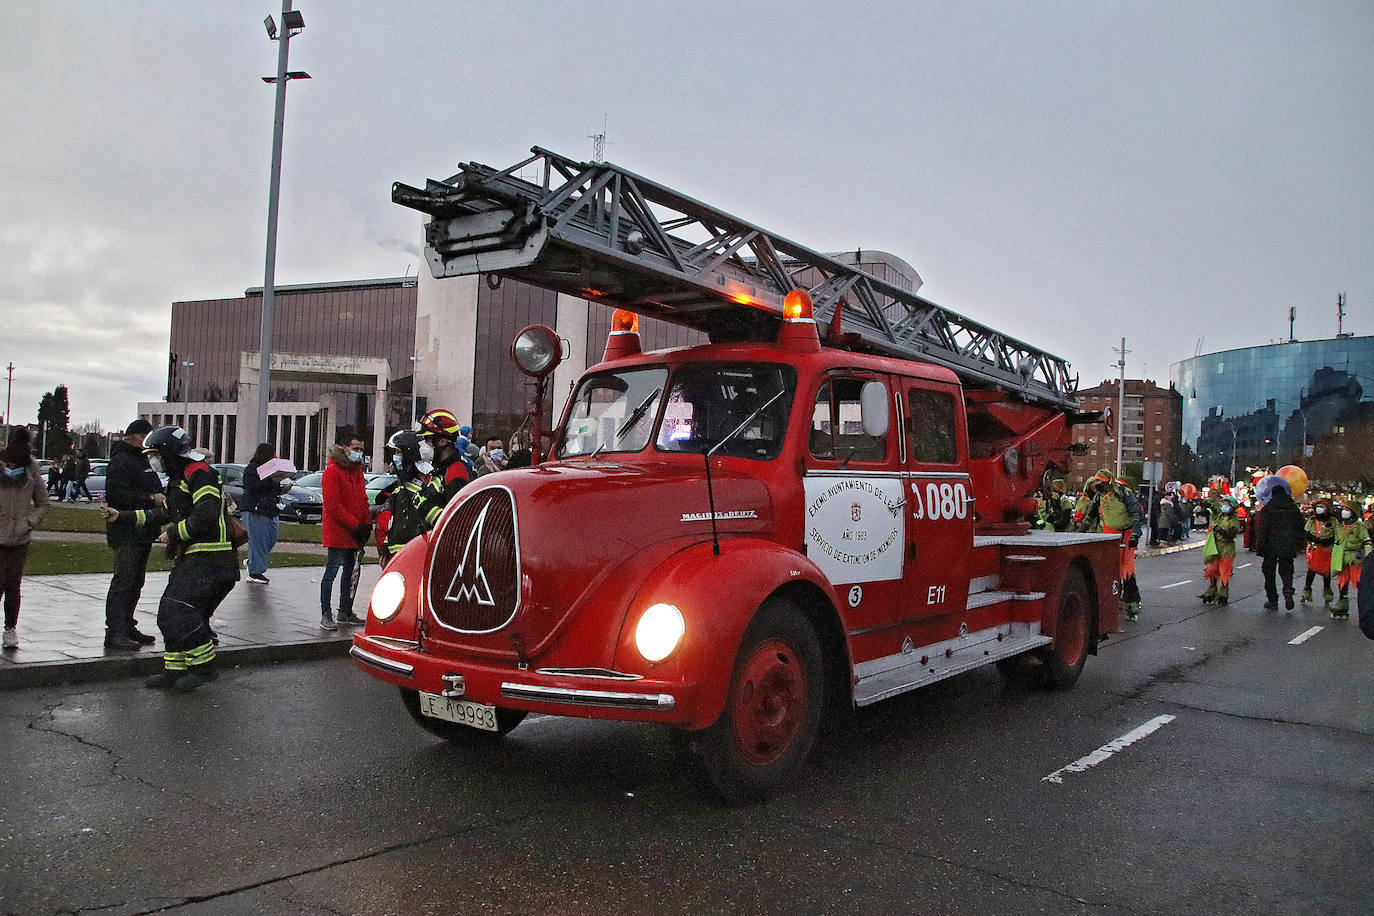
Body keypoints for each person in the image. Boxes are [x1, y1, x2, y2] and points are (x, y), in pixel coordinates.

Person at [99, 426, 237, 691]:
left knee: (179, 611)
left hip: (210, 558)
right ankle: (174, 670)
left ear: (170, 452)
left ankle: (204, 667)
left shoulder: (199, 474)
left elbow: (205, 515)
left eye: (157, 455)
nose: (155, 461)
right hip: (197, 558)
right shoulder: (181, 477)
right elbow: (162, 512)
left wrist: (174, 533)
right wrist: (123, 516)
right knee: (168, 614)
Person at [102, 419, 164, 650]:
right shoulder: (121, 461)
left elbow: (154, 484)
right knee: (124, 580)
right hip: (126, 531)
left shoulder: (142, 461)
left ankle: (127, 624)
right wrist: (150, 498)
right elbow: (117, 495)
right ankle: (114, 630)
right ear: (136, 438)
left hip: (143, 530)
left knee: (136, 581)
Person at [0, 429, 49, 649]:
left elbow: (43, 503)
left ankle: (10, 628)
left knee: (12, 583)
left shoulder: (30, 470)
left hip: (19, 537)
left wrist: (28, 523)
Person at [320, 434, 370, 630]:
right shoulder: (332, 472)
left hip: (354, 532)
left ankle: (345, 610)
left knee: (350, 573)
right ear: (345, 448)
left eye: (361, 449)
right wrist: (355, 524)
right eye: (355, 448)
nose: (358, 453)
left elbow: (362, 500)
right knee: (331, 572)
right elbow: (334, 506)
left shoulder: (356, 472)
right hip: (339, 531)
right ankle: (326, 612)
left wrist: (365, 524)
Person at [1078, 470, 1143, 620]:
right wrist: (1079, 532)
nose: (1099, 485)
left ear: (1108, 482)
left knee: (1127, 569)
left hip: (1126, 535)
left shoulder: (1123, 493)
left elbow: (1135, 515)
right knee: (1107, 568)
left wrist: (1135, 534)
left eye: (1101, 482)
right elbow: (1090, 516)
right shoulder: (1099, 496)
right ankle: (1107, 600)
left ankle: (1131, 602)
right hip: (1109, 535)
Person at [241, 443, 292, 585]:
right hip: (255, 509)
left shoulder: (271, 471)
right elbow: (250, 487)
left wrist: (282, 489)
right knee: (258, 540)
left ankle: (253, 562)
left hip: (270, 509)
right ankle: (255, 572)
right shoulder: (252, 469)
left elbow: (271, 490)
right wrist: (268, 480)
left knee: (271, 538)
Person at [414, 408, 473, 530]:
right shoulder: (441, 470)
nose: (423, 446)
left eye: (427, 440)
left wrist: (425, 508)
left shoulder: (456, 472)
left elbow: (457, 522)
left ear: (442, 441)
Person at [1254, 479, 1305, 612]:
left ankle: (1272, 600)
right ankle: (1288, 590)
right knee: (1287, 571)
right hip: (1288, 544)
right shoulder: (1293, 508)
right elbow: (1301, 526)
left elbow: (1263, 530)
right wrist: (1299, 543)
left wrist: (1260, 547)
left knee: (1269, 573)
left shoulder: (1268, 509)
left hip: (1270, 546)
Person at [381, 429, 432, 560]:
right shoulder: (402, 484)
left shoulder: (424, 483)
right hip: (397, 552)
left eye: (398, 452)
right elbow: (395, 519)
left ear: (409, 453)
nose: (395, 457)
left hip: (414, 552)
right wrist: (386, 546)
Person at [1330, 502, 1370, 620]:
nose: (1343, 511)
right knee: (1342, 584)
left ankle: (1366, 609)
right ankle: (1342, 605)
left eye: (1346, 509)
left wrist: (1367, 556)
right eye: (1343, 509)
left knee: (1360, 584)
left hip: (1356, 559)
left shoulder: (1359, 526)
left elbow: (1366, 541)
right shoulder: (1340, 526)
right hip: (1342, 559)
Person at [1200, 498, 1242, 605]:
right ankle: (1212, 589)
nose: (1224, 507)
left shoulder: (1234, 520)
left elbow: (1232, 534)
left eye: (1227, 505)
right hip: (1215, 546)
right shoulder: (1217, 517)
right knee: (1211, 569)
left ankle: (1223, 592)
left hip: (1227, 548)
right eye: (1223, 505)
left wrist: (1221, 530)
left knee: (1224, 571)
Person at [1302, 498, 1336, 607]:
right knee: (1311, 570)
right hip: (1315, 549)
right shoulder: (1312, 520)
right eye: (1318, 507)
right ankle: (1307, 590)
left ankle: (1327, 591)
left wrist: (1329, 540)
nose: (1320, 509)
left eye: (1322, 507)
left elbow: (1338, 533)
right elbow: (1306, 531)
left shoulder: (1333, 521)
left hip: (1327, 549)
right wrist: (1313, 539)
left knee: (1326, 572)